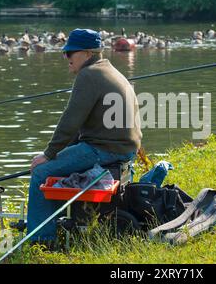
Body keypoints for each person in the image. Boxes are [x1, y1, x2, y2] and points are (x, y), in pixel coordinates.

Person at [27, 29, 142, 246]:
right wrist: (56, 155)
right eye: (65, 52)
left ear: (88, 53)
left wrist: (48, 154)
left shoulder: (88, 75)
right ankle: (52, 225)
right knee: (51, 166)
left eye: (71, 52)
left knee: (41, 173)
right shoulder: (107, 70)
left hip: (106, 148)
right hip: (122, 147)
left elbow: (70, 120)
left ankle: (41, 242)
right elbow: (78, 127)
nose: (66, 57)